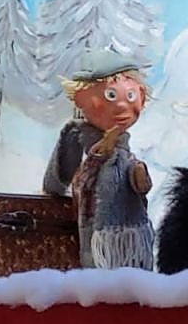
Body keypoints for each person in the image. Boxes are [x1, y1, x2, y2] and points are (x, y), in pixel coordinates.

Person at [42, 49, 155, 269]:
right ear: (81, 98)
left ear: (140, 96)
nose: (121, 106)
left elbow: (135, 181)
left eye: (130, 96)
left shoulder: (124, 157)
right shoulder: (84, 145)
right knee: (95, 265)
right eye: (111, 96)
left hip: (129, 241)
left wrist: (138, 175)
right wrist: (99, 155)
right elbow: (73, 181)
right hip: (97, 240)